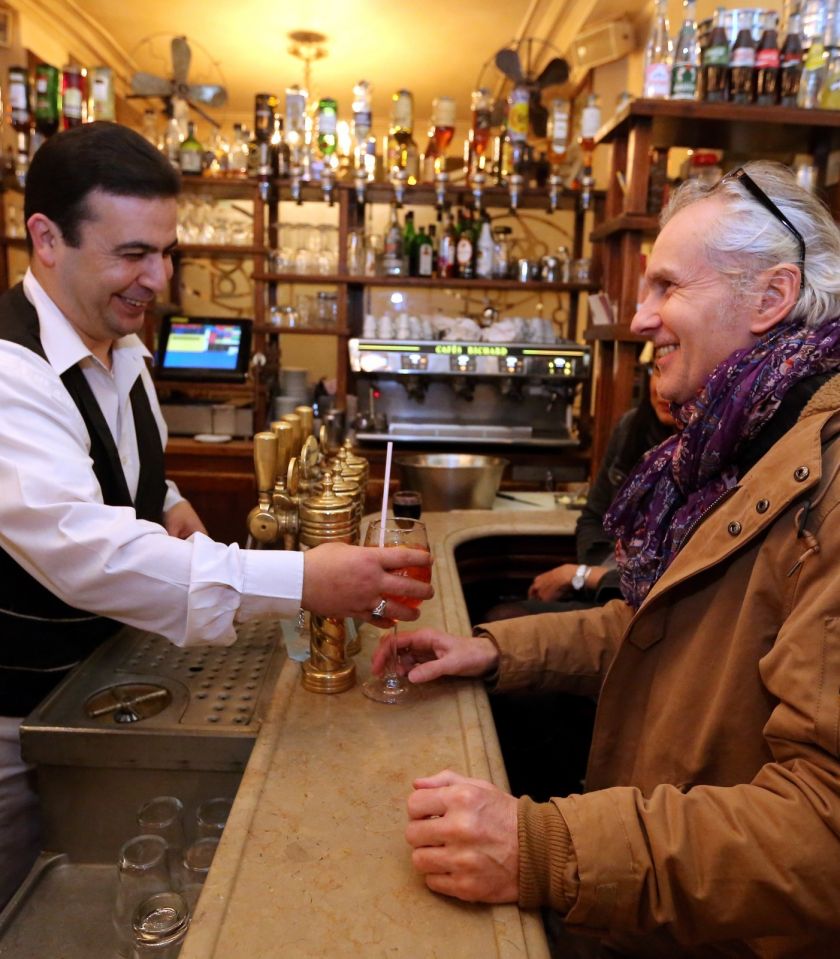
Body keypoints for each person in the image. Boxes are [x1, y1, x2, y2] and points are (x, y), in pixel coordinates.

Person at [374, 160, 840, 956]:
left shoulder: (823, 473)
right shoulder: (746, 443)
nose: (638, 316)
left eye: (666, 287)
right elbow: (663, 632)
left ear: (771, 297)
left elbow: (821, 831)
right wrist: (492, 647)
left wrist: (547, 847)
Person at [0, 122, 432, 907]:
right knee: (31, 906)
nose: (157, 278)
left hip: (99, 687)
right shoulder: (9, 372)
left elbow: (136, 484)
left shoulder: (121, 349)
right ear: (47, 238)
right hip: (16, 719)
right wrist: (302, 579)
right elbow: (88, 551)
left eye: (167, 253)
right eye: (133, 253)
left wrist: (177, 508)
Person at [488, 365, 675, 620]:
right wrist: (594, 576)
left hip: (654, 610)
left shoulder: (704, 452)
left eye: (673, 368)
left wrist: (579, 576)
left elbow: (668, 577)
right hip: (607, 589)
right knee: (500, 618)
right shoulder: (631, 427)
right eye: (657, 370)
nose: (660, 389)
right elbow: (593, 517)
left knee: (503, 618)